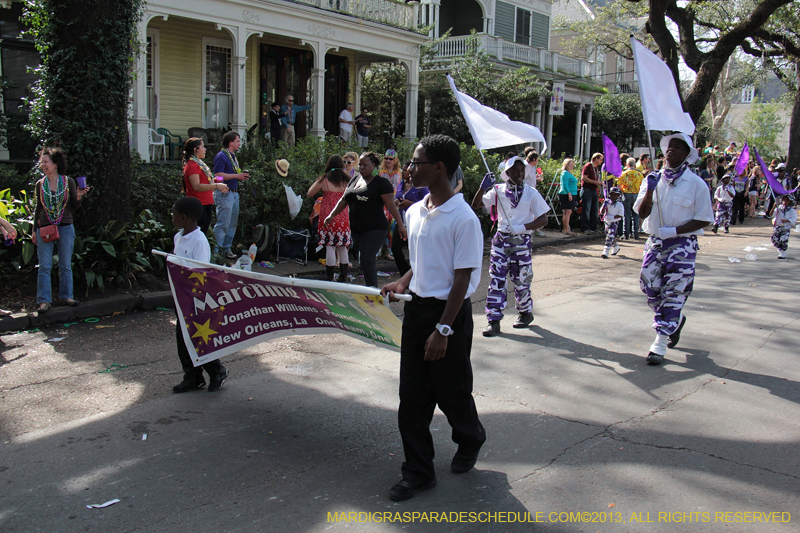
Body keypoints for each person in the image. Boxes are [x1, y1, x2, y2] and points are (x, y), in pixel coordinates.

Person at [380, 134, 485, 502]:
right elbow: (422, 264)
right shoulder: (413, 210)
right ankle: (418, 472)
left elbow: (462, 277)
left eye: (416, 162)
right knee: (412, 397)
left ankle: (471, 437)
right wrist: (403, 280)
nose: (409, 168)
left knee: (452, 392)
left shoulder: (464, 218)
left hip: (449, 316)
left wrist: (443, 329)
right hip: (417, 312)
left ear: (438, 167)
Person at [635, 133, 713, 365]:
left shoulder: (696, 184)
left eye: (678, 147)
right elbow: (641, 213)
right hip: (656, 242)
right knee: (649, 287)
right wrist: (649, 189)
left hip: (682, 245)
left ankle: (659, 342)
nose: (671, 150)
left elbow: (704, 219)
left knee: (674, 292)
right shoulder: (653, 179)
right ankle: (675, 322)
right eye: (669, 147)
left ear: (687, 154)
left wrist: (676, 232)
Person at [471, 156, 549, 337]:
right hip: (501, 242)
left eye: (522, 171)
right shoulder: (498, 191)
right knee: (496, 280)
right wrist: (483, 187)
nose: (520, 174)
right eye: (515, 171)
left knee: (521, 280)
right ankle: (494, 320)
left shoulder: (531, 193)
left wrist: (523, 227)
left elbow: (543, 219)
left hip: (521, 242)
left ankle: (525, 312)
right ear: (507, 173)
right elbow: (476, 204)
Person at [170, 196, 229, 393]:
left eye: (174, 213)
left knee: (198, 338)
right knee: (183, 340)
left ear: (184, 217)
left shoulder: (199, 241)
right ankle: (192, 376)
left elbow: (202, 272)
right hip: (182, 298)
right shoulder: (178, 237)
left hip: (196, 299)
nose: (172, 216)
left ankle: (216, 370)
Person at [324, 152, 406, 288]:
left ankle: (373, 291)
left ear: (373, 165)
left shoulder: (381, 183)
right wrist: (331, 215)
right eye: (360, 165)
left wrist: (401, 225)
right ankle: (369, 288)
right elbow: (344, 200)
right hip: (357, 228)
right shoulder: (355, 180)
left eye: (365, 165)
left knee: (367, 259)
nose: (361, 167)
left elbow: (391, 205)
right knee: (364, 260)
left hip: (376, 228)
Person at [32, 147, 86, 313]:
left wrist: (78, 196)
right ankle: (43, 301)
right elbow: (38, 208)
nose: (43, 165)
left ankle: (66, 296)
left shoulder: (67, 182)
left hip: (65, 227)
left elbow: (73, 207)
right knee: (44, 266)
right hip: (45, 227)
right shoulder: (40, 184)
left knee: (65, 264)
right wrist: (34, 229)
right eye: (42, 162)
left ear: (55, 164)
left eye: (46, 162)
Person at [307, 155, 352, 281]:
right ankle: (343, 276)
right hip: (343, 217)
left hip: (328, 217)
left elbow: (310, 192)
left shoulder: (325, 179)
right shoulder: (347, 180)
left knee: (330, 246)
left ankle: (330, 276)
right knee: (343, 247)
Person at [212, 131, 249, 259]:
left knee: (232, 223)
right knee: (223, 223)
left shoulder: (233, 156)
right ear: (230, 142)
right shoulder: (221, 156)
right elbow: (218, 176)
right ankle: (216, 250)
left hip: (234, 193)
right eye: (237, 141)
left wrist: (240, 176)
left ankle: (226, 248)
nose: (239, 143)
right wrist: (236, 176)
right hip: (224, 193)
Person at [182, 137, 228, 234]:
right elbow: (196, 186)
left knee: (204, 231)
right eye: (202, 147)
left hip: (206, 202)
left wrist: (213, 182)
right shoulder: (192, 165)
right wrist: (215, 186)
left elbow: (203, 181)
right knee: (198, 233)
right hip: (198, 204)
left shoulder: (199, 163)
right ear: (195, 149)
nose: (205, 149)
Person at [392, 161, 428, 276]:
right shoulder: (401, 184)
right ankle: (406, 274)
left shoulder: (421, 186)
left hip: (415, 224)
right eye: (402, 169)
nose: (402, 172)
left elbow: (427, 204)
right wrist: (395, 202)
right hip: (401, 223)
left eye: (405, 170)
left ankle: (417, 276)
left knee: (414, 252)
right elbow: (396, 197)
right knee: (395, 249)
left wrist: (411, 204)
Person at [617, 157, 643, 240]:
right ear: (634, 165)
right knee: (636, 215)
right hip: (636, 194)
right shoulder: (639, 174)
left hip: (626, 194)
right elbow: (643, 185)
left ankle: (626, 234)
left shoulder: (624, 174)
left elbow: (619, 186)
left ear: (626, 164)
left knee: (626, 215)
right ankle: (636, 234)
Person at [581, 153, 604, 233]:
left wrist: (599, 183)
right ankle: (585, 228)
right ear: (596, 159)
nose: (601, 161)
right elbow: (584, 178)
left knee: (594, 209)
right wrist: (595, 182)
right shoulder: (588, 166)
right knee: (586, 209)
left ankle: (594, 227)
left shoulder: (596, 168)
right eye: (600, 159)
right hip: (587, 189)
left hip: (594, 190)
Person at [600, 186, 624, 258]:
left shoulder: (619, 204)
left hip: (614, 222)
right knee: (609, 235)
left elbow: (620, 215)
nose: (613, 196)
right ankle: (616, 246)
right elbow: (601, 212)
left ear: (618, 195)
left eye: (615, 194)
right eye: (612, 194)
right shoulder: (607, 202)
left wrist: (611, 217)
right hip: (607, 222)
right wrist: (604, 205)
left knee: (610, 235)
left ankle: (606, 250)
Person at [557, 158, 578, 235]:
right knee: (567, 211)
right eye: (571, 164)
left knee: (569, 211)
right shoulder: (565, 173)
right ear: (567, 165)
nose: (572, 165)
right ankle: (566, 229)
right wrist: (569, 193)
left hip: (572, 193)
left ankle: (566, 228)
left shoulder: (569, 173)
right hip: (566, 194)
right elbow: (565, 184)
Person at [772, 195, 797, 259]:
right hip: (778, 226)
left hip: (786, 227)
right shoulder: (779, 208)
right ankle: (779, 248)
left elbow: (794, 219)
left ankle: (782, 253)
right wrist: (773, 207)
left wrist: (787, 220)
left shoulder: (791, 210)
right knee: (775, 240)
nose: (785, 202)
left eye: (787, 200)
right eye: (784, 200)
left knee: (783, 240)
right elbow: (771, 214)